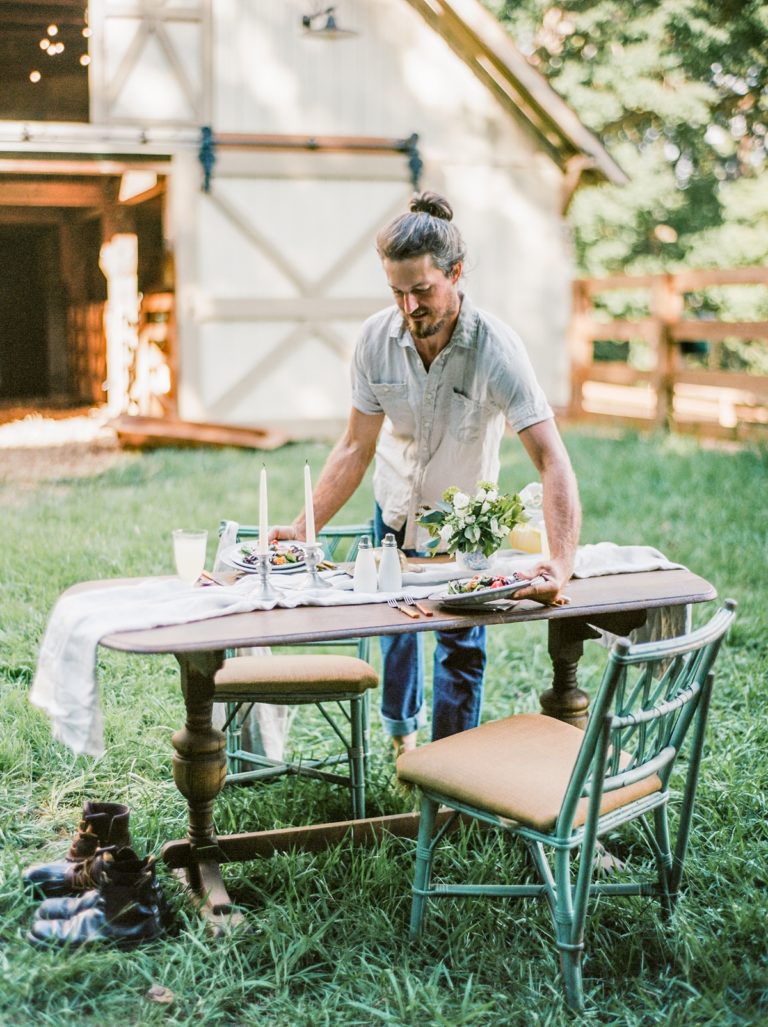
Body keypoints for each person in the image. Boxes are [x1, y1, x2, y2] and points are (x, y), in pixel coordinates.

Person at [271, 191, 580, 753]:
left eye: (421, 290)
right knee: (396, 632)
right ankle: (402, 744)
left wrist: (560, 560)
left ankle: (451, 765)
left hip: (463, 528)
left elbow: (551, 457)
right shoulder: (374, 341)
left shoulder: (497, 349)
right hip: (391, 509)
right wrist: (301, 528)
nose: (409, 307)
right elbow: (353, 448)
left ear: (455, 274)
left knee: (460, 643)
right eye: (396, 292)